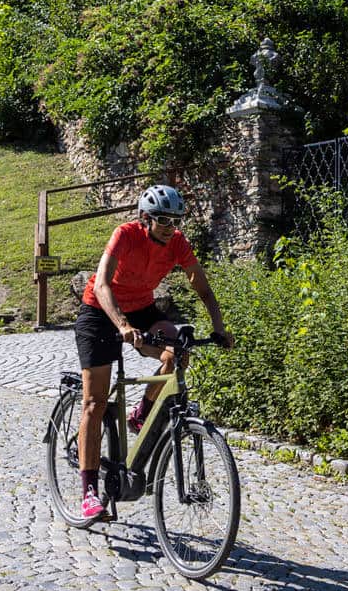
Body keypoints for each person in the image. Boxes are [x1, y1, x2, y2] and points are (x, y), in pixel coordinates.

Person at [72, 183, 231, 524]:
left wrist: (219, 327)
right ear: (145, 218)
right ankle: (88, 493)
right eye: (162, 220)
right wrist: (122, 326)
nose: (169, 227)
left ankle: (141, 412)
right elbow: (101, 285)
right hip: (100, 311)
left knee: (177, 350)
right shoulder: (125, 235)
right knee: (94, 403)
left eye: (174, 221)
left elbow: (201, 286)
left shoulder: (177, 243)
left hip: (142, 308)